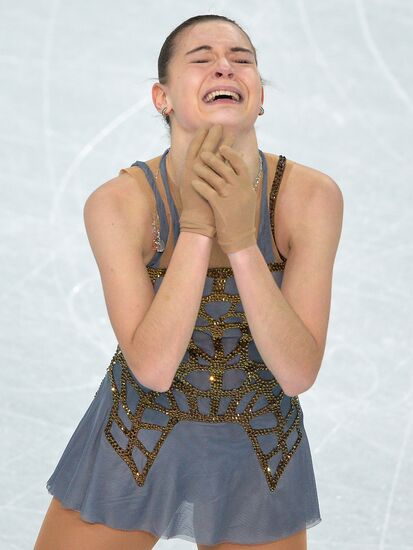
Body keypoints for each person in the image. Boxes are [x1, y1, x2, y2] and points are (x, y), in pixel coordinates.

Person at [34, 13, 343, 550]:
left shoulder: (311, 198)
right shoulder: (119, 204)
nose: (225, 66)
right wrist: (198, 228)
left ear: (259, 96)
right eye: (201, 59)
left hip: (259, 451)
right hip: (135, 439)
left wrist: (244, 242)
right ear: (163, 97)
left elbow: (296, 373)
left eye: (241, 60)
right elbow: (153, 368)